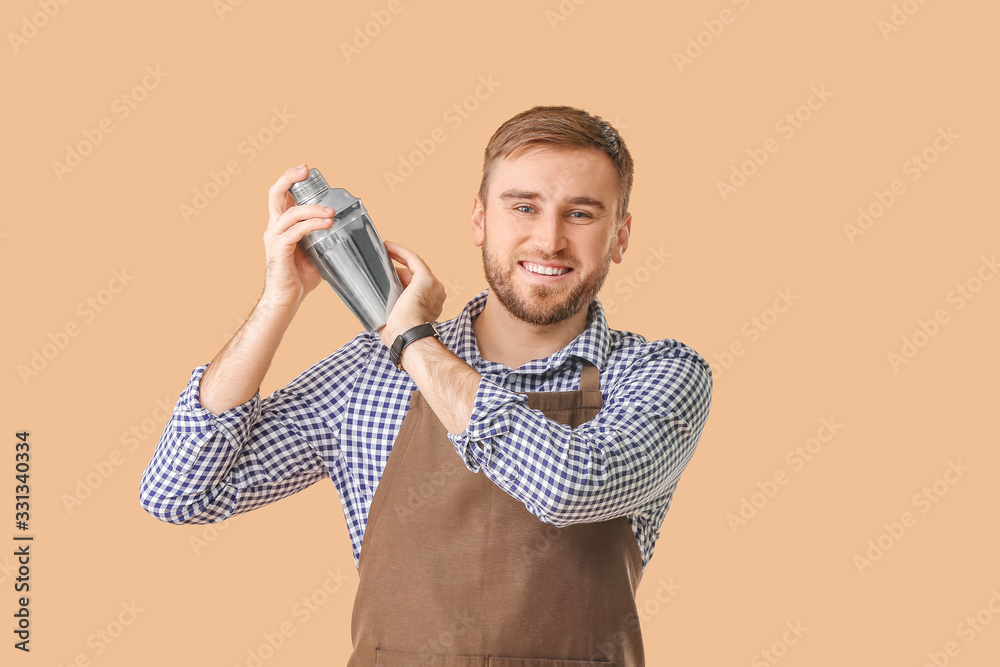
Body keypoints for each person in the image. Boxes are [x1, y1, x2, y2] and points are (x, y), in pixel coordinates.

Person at [140, 105, 712, 665]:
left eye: (581, 214)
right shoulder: (371, 371)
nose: (550, 240)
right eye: (523, 207)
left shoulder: (657, 374)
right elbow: (181, 493)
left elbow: (570, 485)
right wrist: (276, 302)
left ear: (621, 235)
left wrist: (412, 341)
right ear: (479, 220)